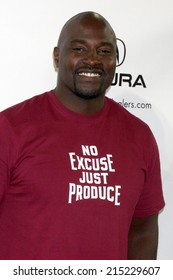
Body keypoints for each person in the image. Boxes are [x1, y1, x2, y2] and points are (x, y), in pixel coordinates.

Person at [0, 11, 164, 260]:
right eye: (79, 48)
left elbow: (143, 232)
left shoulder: (140, 136)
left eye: (104, 51)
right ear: (57, 56)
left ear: (115, 60)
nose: (92, 60)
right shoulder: (11, 127)